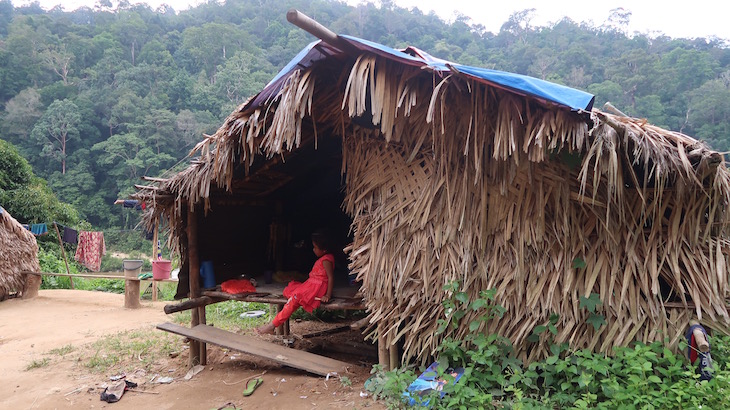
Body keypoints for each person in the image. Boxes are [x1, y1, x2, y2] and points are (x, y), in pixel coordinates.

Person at [256, 230, 335, 334]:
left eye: (315, 247)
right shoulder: (325, 258)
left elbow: (330, 277)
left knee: (294, 298)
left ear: (324, 250)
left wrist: (327, 295)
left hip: (316, 289)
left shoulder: (326, 260)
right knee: (291, 288)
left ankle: (272, 325)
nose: (313, 249)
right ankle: (277, 320)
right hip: (311, 285)